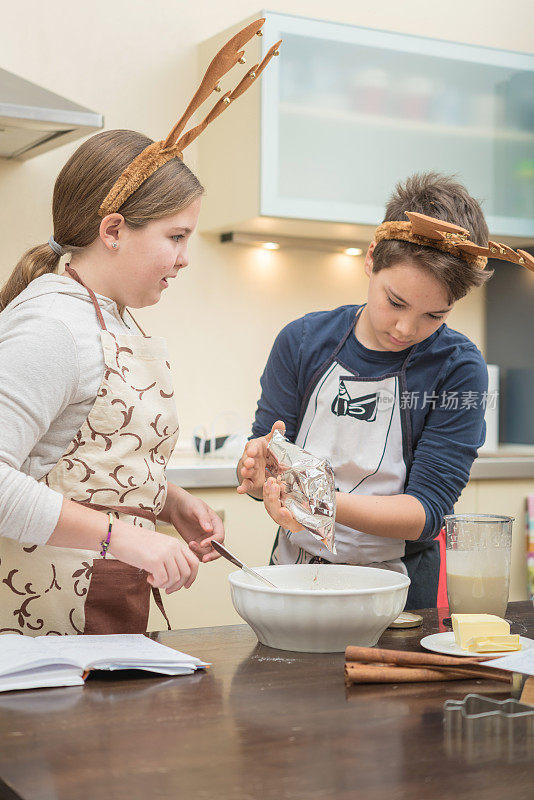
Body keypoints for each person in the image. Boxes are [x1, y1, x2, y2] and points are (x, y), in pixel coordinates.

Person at [0, 17, 281, 636]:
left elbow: (89, 462)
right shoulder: (53, 325)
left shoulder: (108, 315)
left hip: (95, 614)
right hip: (37, 629)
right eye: (176, 237)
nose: (185, 258)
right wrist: (122, 536)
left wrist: (167, 502)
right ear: (113, 229)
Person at [238, 172, 496, 610]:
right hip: (294, 578)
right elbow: (267, 456)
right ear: (371, 258)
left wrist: (319, 502)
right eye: (395, 302)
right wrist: (256, 471)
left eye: (433, 315)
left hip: (401, 598)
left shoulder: (458, 369)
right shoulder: (302, 341)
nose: (405, 328)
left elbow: (425, 514)